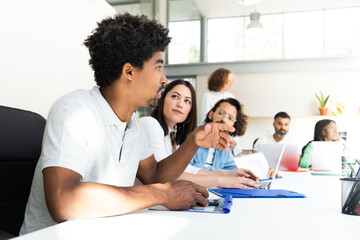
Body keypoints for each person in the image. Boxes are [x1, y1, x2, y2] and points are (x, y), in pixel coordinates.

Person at [20, 13, 234, 235]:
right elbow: (64, 200)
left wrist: (193, 142)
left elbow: (155, 175)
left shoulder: (134, 125)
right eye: (158, 67)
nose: (164, 79)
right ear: (129, 71)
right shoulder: (75, 110)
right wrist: (162, 194)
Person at [140, 80, 260, 189]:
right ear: (162, 98)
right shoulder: (151, 124)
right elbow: (164, 176)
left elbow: (185, 170)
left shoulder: (172, 137)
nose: (180, 104)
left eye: (187, 101)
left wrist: (227, 174)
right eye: (175, 96)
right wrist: (222, 180)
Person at [200, 68, 242, 156]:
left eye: (232, 81)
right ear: (220, 80)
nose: (232, 84)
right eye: (229, 81)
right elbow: (205, 120)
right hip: (212, 137)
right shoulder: (208, 96)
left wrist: (233, 141)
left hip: (228, 138)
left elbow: (234, 122)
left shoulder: (231, 96)